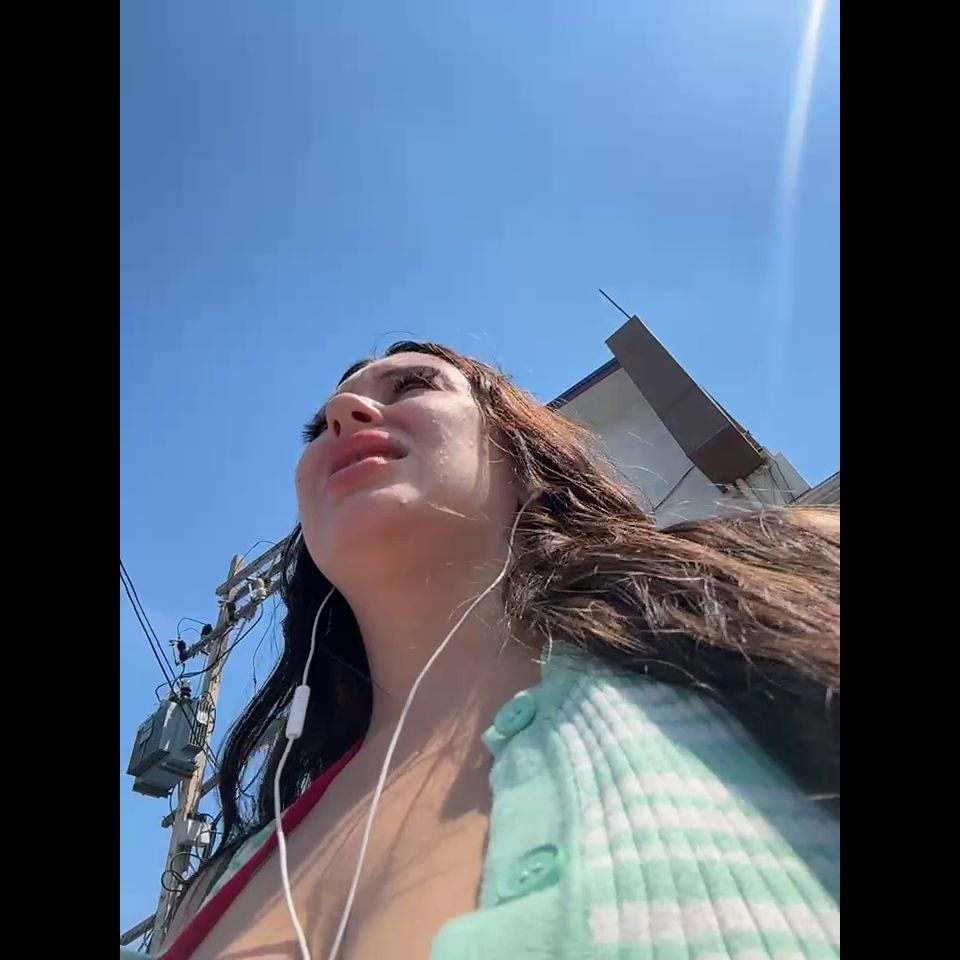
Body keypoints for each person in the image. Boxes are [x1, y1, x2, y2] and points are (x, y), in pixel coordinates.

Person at [146, 341, 840, 960]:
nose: (342, 413)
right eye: (316, 425)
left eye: (413, 385)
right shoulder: (213, 889)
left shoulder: (772, 596)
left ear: (524, 456)